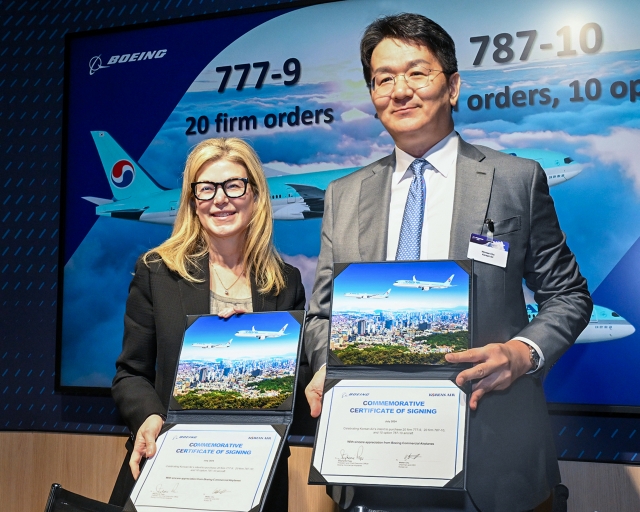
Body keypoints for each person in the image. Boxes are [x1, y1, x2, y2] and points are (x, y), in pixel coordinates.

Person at [303, 13, 592, 512]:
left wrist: (521, 353)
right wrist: (326, 366)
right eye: (383, 79)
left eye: (417, 72)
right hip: (371, 456)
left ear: (453, 86)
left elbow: (569, 295)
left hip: (492, 455)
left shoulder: (514, 180)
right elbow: (322, 314)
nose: (400, 90)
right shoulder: (343, 195)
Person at [109, 137, 305, 509]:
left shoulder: (285, 281)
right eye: (206, 188)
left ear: (256, 195)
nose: (220, 199)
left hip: (254, 474)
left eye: (234, 185)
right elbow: (130, 373)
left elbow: (296, 378)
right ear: (192, 200)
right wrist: (148, 417)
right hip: (171, 467)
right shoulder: (158, 272)